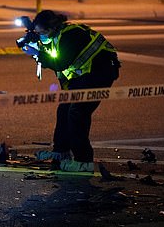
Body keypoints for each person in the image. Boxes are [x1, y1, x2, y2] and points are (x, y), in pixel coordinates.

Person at [20, 10, 121, 172]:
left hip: (100, 73)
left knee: (77, 112)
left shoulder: (71, 35)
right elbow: (57, 63)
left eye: (43, 33)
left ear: (53, 27)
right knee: (65, 108)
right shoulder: (55, 36)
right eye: (39, 33)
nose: (42, 36)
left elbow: (61, 63)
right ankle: (61, 152)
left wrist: (37, 54)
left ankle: (83, 161)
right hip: (83, 76)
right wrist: (35, 44)